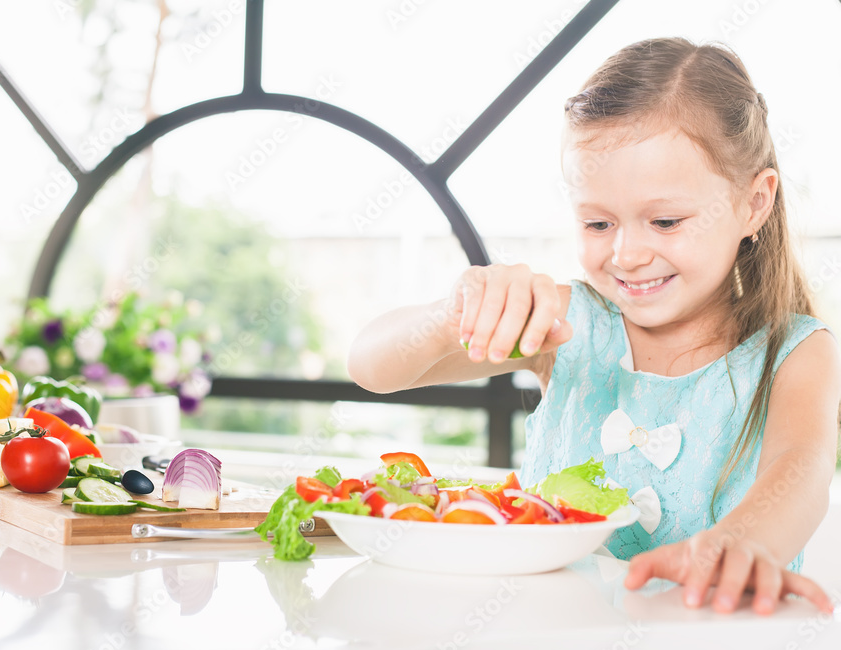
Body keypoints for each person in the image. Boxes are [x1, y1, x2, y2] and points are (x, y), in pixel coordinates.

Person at [347, 37, 840, 615]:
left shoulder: (796, 352)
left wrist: (742, 545)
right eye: (598, 223)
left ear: (754, 203)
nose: (627, 254)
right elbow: (372, 367)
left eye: (664, 220)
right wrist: (455, 312)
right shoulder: (566, 324)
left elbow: (798, 471)